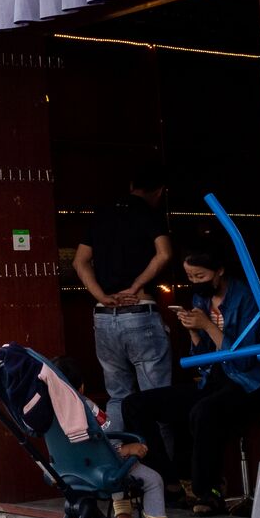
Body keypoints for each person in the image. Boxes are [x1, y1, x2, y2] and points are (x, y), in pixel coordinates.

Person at [123, 248, 260, 516]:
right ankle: (168, 483)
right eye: (189, 276)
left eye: (200, 275)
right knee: (135, 404)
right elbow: (205, 360)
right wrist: (194, 331)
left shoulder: (248, 299)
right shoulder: (201, 298)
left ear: (219, 271)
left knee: (203, 411)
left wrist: (207, 325)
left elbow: (243, 361)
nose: (194, 281)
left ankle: (209, 492)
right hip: (214, 380)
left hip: (249, 384)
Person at [72, 162, 175, 432]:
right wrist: (135, 286)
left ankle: (122, 466)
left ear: (131, 186)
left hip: (104, 318)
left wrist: (103, 296)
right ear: (160, 191)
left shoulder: (102, 215)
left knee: (118, 397)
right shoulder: (150, 214)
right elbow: (164, 253)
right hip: (140, 312)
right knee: (158, 399)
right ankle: (163, 472)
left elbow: (79, 262)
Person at [50, 357, 182, 518]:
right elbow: (103, 442)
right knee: (153, 479)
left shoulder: (49, 413)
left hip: (71, 470)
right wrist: (127, 449)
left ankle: (124, 517)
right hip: (100, 466)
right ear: (81, 387)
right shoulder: (86, 408)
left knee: (119, 475)